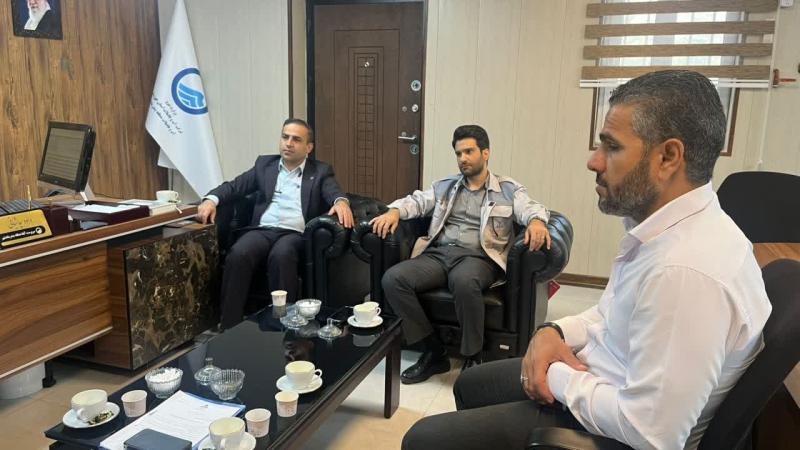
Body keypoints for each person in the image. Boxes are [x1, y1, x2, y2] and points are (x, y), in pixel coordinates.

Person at [401, 70, 773, 450]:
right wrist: (555, 332)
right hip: (600, 374)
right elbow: (611, 313)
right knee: (470, 384)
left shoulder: (685, 273)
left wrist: (557, 375)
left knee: (422, 440)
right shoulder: (662, 231)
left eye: (611, 147)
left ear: (668, 157)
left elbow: (650, 434)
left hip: (610, 428)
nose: (593, 161)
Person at [370, 124, 551, 384]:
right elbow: (417, 201)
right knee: (393, 279)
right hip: (439, 254)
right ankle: (433, 351)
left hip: (478, 257)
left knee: (464, 282)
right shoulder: (445, 186)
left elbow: (532, 208)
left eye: (469, 152)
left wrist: (537, 222)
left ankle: (473, 354)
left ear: (485, 153)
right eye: (458, 153)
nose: (463, 158)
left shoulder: (508, 189)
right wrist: (394, 211)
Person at [198, 118, 353, 329]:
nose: (288, 143)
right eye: (285, 137)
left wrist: (341, 202)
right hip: (262, 230)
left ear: (308, 147)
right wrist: (211, 199)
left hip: (294, 233)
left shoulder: (320, 172)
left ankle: (283, 326)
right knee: (239, 253)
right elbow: (234, 187)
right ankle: (228, 325)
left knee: (281, 255)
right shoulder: (264, 165)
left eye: (296, 139)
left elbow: (333, 192)